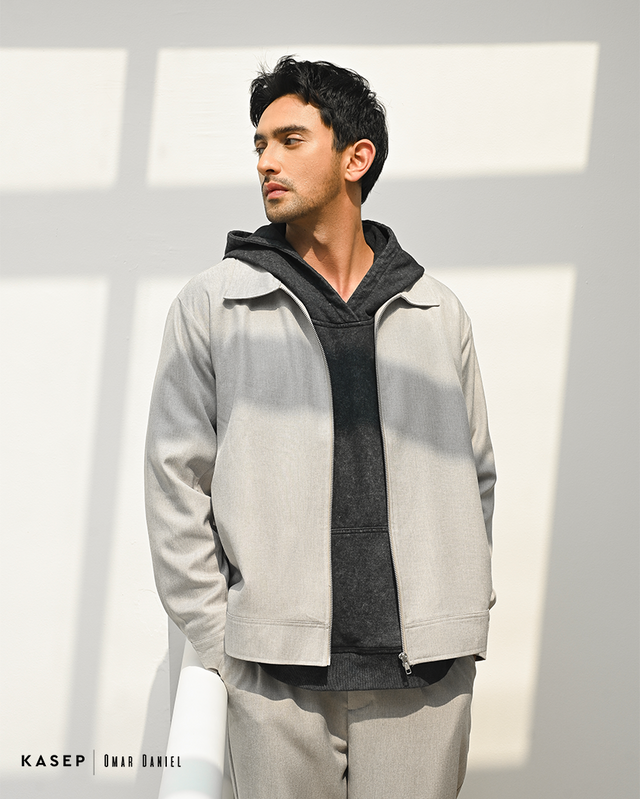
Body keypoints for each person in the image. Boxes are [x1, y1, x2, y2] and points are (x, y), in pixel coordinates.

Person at [145, 55, 496, 799]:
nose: (265, 161)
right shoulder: (214, 305)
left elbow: (476, 477)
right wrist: (223, 642)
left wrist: (456, 612)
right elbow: (175, 481)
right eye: (259, 144)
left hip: (424, 680)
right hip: (276, 678)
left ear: (355, 158)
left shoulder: (437, 312)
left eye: (290, 140)